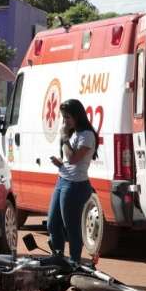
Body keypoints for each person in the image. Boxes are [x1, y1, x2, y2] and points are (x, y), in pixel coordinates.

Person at [48, 99, 99, 264]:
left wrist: (64, 137)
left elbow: (74, 158)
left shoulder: (87, 135)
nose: (65, 122)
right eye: (63, 118)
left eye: (68, 117)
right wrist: (60, 163)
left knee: (72, 228)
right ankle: (58, 258)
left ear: (78, 116)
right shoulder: (73, 133)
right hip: (62, 180)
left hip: (75, 186)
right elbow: (68, 160)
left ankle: (75, 263)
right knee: (52, 223)